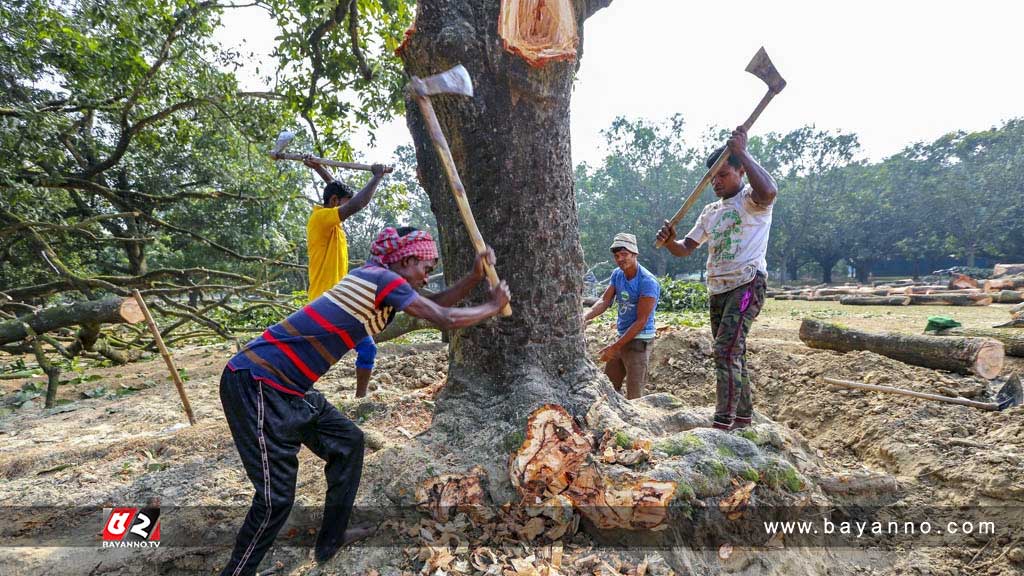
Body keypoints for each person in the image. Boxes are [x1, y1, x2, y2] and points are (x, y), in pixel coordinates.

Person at [218, 227, 510, 576]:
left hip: (290, 388)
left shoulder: (381, 282)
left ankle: (331, 539)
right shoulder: (379, 278)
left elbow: (433, 305)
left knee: (349, 442)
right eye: (426, 268)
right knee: (275, 499)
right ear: (407, 260)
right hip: (257, 382)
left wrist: (474, 277)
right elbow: (442, 318)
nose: (427, 276)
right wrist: (493, 306)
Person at [656, 126, 778, 430]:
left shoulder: (752, 200)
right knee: (733, 351)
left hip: (747, 285)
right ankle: (743, 419)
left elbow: (770, 191)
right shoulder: (710, 212)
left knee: (725, 350)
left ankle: (723, 423)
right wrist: (669, 241)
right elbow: (685, 248)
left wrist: (743, 152)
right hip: (718, 289)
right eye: (712, 178)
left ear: (740, 172)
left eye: (723, 175)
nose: (716, 182)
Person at [305, 159, 387, 398]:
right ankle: (299, 391)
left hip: (341, 301)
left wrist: (319, 169)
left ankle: (360, 400)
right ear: (334, 202)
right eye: (343, 203)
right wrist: (377, 176)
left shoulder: (332, 222)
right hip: (323, 303)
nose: (347, 209)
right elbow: (358, 204)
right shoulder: (322, 220)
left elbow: (336, 187)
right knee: (314, 355)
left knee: (367, 349)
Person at [583, 233, 660, 400]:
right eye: (617, 256)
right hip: (622, 336)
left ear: (635, 254)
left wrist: (614, 347)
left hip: (639, 341)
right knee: (608, 388)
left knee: (635, 396)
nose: (620, 259)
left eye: (624, 254)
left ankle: (637, 416)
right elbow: (604, 300)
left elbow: (641, 321)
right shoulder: (617, 274)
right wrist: (585, 317)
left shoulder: (647, 282)